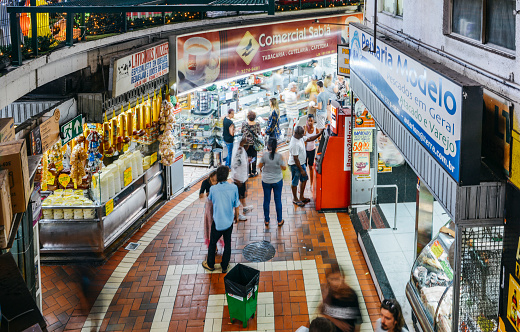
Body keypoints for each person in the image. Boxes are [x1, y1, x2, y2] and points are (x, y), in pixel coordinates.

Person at [202, 166, 240, 274]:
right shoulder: (234, 188)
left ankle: (210, 265)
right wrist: (236, 217)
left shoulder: (213, 189)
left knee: (213, 243)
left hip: (217, 222)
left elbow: (210, 200)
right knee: (228, 243)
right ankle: (224, 266)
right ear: (227, 176)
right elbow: (236, 205)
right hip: (229, 221)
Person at [319, 264, 362, 332]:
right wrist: (337, 322)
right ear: (327, 279)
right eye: (332, 279)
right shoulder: (326, 292)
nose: (335, 283)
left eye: (337, 279)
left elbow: (358, 320)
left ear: (342, 278)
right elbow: (322, 311)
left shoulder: (351, 296)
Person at [289, 126, 322, 207]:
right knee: (295, 182)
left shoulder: (300, 137)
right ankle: (295, 199)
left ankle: (301, 197)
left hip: (301, 163)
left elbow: (310, 138)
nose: (302, 135)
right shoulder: (294, 144)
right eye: (301, 134)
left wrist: (319, 134)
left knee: (304, 179)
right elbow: (296, 159)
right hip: (295, 165)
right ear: (296, 133)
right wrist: (301, 170)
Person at [258, 137, 286, 227]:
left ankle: (266, 220)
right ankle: (279, 220)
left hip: (266, 181)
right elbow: (284, 167)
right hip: (277, 180)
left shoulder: (264, 155)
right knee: (278, 200)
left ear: (268, 145)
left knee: (266, 200)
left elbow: (259, 166)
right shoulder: (279, 156)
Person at [200, 171, 224, 250]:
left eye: (216, 181)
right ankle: (213, 245)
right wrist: (206, 194)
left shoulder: (220, 183)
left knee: (219, 224)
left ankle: (220, 240)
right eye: (213, 181)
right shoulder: (205, 182)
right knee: (210, 225)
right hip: (210, 206)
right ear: (210, 178)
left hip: (218, 205)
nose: (214, 183)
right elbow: (200, 195)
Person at [231, 137, 253, 220]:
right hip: (238, 178)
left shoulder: (241, 150)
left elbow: (241, 161)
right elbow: (235, 164)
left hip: (242, 177)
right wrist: (237, 179)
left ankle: (244, 207)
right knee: (238, 197)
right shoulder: (238, 150)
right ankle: (237, 214)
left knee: (242, 194)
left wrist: (247, 161)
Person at [241, 111, 261, 177]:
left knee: (247, 157)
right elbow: (258, 132)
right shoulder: (257, 124)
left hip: (246, 144)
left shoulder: (244, 124)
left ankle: (249, 172)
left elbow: (242, 131)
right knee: (254, 157)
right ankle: (254, 171)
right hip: (254, 144)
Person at [304, 114, 320, 186]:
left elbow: (319, 140)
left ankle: (311, 184)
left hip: (312, 150)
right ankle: (302, 184)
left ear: (313, 121)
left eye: (311, 121)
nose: (310, 122)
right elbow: (303, 139)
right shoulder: (305, 128)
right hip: (305, 151)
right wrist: (306, 130)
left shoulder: (316, 129)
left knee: (311, 167)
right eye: (309, 121)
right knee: (303, 167)